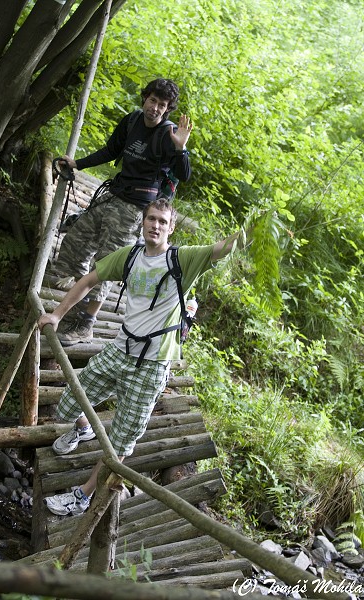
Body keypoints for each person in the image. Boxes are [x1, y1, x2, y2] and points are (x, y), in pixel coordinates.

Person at [38, 198, 249, 516]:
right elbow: (88, 280)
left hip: (151, 366)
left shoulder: (182, 260)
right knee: (69, 403)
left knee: (121, 440)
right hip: (119, 349)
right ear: (143, 221)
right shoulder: (131, 255)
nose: (156, 225)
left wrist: (246, 231)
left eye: (163, 221)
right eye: (152, 218)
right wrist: (56, 314)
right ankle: (84, 427)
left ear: (171, 227)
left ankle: (82, 496)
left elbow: (219, 250)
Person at [48, 78, 193, 346]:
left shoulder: (168, 135)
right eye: (152, 101)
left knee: (107, 265)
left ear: (167, 109)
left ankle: (86, 324)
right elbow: (111, 150)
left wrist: (180, 148)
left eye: (162, 105)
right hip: (113, 195)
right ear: (145, 99)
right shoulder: (132, 121)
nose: (155, 108)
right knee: (75, 243)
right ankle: (74, 303)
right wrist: (78, 163)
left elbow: (184, 174)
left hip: (134, 209)